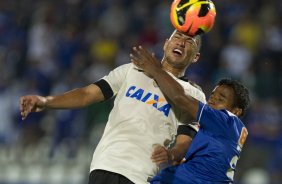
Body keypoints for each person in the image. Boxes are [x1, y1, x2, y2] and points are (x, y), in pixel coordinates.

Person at [19, 30, 206, 184]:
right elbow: (87, 94)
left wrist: (171, 154)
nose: (181, 43)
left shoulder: (193, 95)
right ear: (166, 43)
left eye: (189, 41)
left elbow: (185, 140)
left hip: (139, 174)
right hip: (104, 165)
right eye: (177, 37)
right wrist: (46, 102)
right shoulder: (131, 71)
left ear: (196, 57)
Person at [130, 46, 250, 183]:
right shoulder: (223, 131)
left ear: (236, 111)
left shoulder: (225, 120)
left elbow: (180, 97)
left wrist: (156, 70)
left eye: (221, 98)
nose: (212, 99)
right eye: (213, 94)